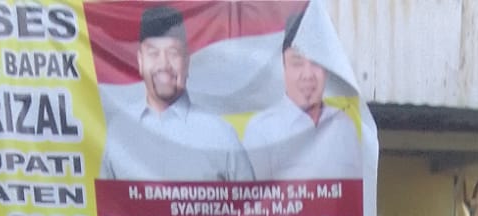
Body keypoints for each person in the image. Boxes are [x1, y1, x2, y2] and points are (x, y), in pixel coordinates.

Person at [101, 5, 253, 182]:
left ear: (187, 62)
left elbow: (252, 206)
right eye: (153, 53)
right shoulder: (119, 131)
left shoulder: (220, 135)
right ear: (141, 62)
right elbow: (107, 208)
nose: (164, 65)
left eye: (173, 53)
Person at [242, 9, 362, 182]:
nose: (308, 75)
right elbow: (253, 204)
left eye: (316, 63)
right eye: (297, 63)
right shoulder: (261, 132)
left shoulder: (344, 126)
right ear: (282, 67)